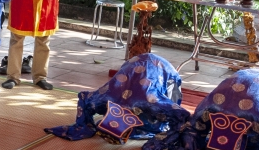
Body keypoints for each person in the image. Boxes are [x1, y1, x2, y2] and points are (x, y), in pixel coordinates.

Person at [47, 53, 190, 142]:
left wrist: (171, 139)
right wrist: (84, 125)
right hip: (133, 66)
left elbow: (182, 115)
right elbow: (84, 98)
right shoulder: (104, 98)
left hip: (162, 69)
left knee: (160, 123)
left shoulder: (152, 101)